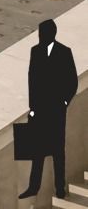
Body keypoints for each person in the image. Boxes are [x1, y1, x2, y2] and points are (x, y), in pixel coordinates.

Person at [23, 18, 76, 200]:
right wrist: (32, 107)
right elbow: (32, 80)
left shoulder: (64, 52)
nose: (40, 37)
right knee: (37, 150)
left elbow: (72, 81)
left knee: (58, 151)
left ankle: (59, 188)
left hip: (56, 110)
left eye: (42, 34)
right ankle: (33, 187)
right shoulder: (35, 51)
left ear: (50, 34)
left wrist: (64, 103)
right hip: (40, 109)